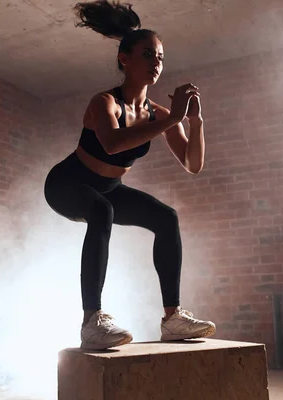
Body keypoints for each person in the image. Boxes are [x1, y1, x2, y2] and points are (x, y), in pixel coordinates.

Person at [44, 0, 216, 350]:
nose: (157, 64)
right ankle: (91, 321)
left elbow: (192, 163)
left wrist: (194, 120)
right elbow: (111, 144)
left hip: (109, 187)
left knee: (166, 218)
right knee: (101, 211)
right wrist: (172, 119)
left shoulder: (160, 113)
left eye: (161, 58)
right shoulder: (104, 102)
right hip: (66, 184)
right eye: (149, 55)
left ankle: (173, 318)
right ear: (125, 59)